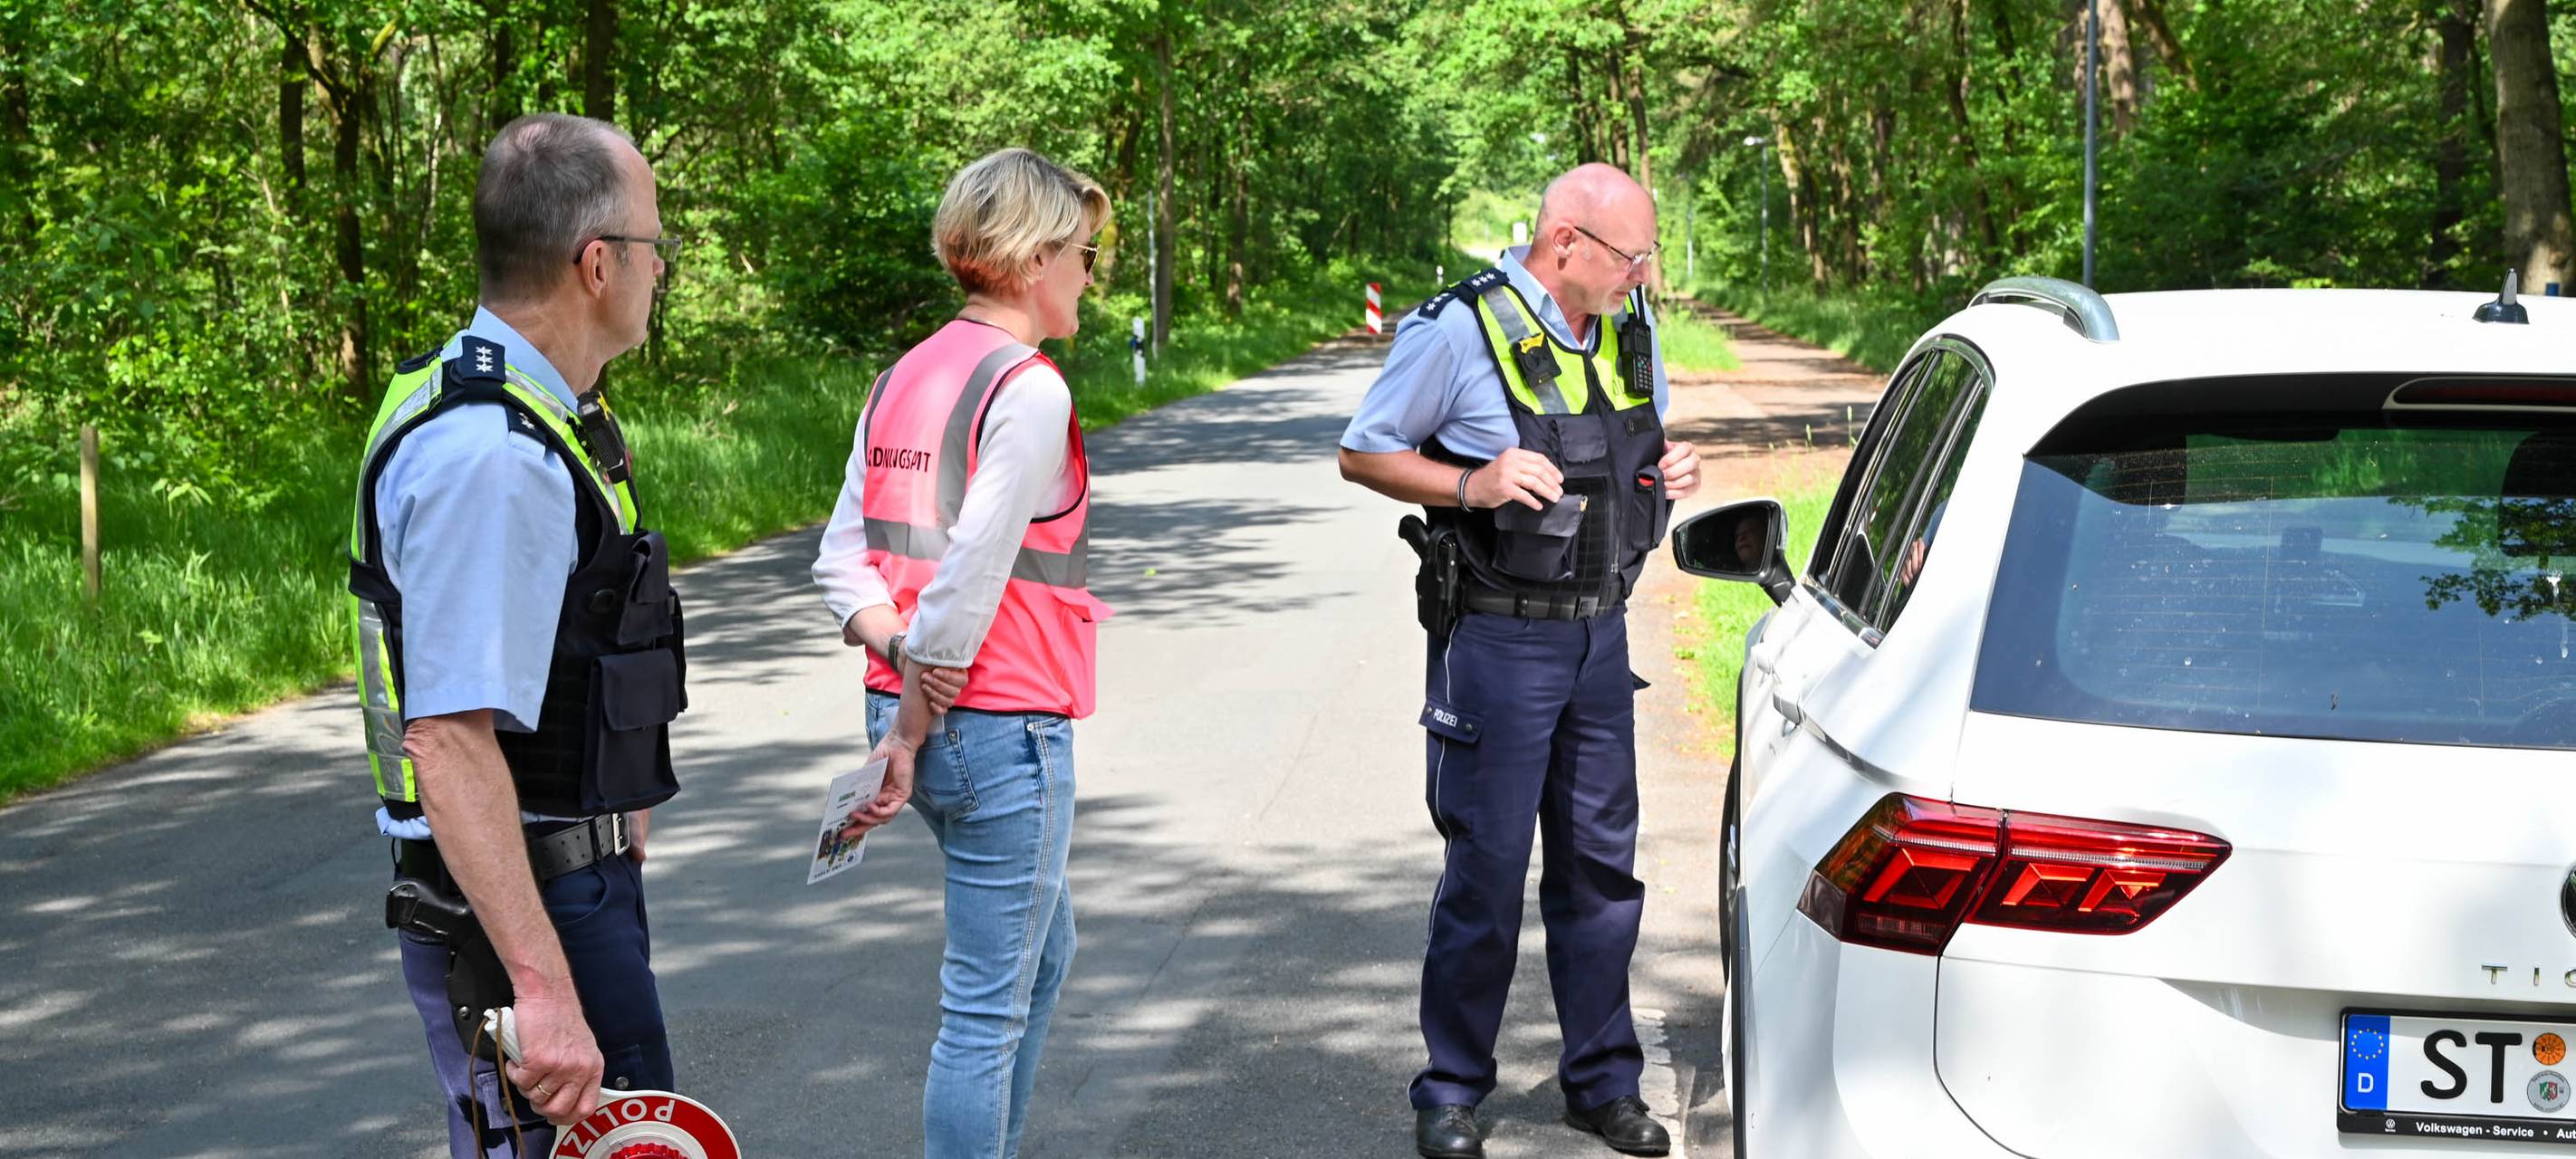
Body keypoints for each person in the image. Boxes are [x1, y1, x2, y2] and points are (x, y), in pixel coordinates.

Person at [1339, 163, 1702, 1159]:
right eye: (1631, 256)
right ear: (1566, 244)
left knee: (1601, 873)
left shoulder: (1630, 326)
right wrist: (1474, 479)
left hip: (1600, 635)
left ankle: (1603, 1083)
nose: (1643, 275)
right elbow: (1366, 451)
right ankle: (1451, 1086)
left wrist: (1675, 467)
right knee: (1486, 872)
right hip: (1498, 639)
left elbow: (1643, 445)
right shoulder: (1458, 329)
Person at [347, 113, 689, 1156]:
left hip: (560, 878)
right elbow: (447, 741)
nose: (662, 268)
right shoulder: (491, 457)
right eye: (657, 244)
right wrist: (543, 988)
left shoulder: (541, 411)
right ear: (598, 263)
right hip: (529, 911)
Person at [811, 146, 1114, 1159]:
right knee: (984, 1014)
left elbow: (840, 562)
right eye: (1080, 249)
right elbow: (968, 587)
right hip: (988, 729)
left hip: (915, 709)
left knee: (1046, 948)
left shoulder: (905, 374)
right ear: (1031, 257)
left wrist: (894, 672)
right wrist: (907, 727)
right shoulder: (1029, 390)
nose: (1088, 270)